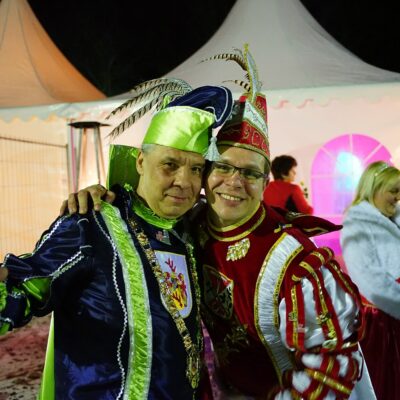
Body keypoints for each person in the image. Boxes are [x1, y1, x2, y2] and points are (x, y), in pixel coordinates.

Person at [68, 45, 373, 399]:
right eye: (223, 167)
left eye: (250, 173)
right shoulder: (191, 224)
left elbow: (332, 367)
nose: (234, 182)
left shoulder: (295, 263)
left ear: (266, 183)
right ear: (206, 174)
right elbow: (144, 204)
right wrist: (100, 194)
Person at [0, 80, 233, 399]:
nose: (184, 181)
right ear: (140, 162)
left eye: (196, 169)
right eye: (170, 165)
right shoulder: (91, 223)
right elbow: (26, 287)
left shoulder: (187, 232)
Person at [340, 161, 400, 400]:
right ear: (374, 189)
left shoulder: (390, 218)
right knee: (385, 382)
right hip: (382, 320)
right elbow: (369, 281)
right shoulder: (358, 226)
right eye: (394, 191)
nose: (398, 197)